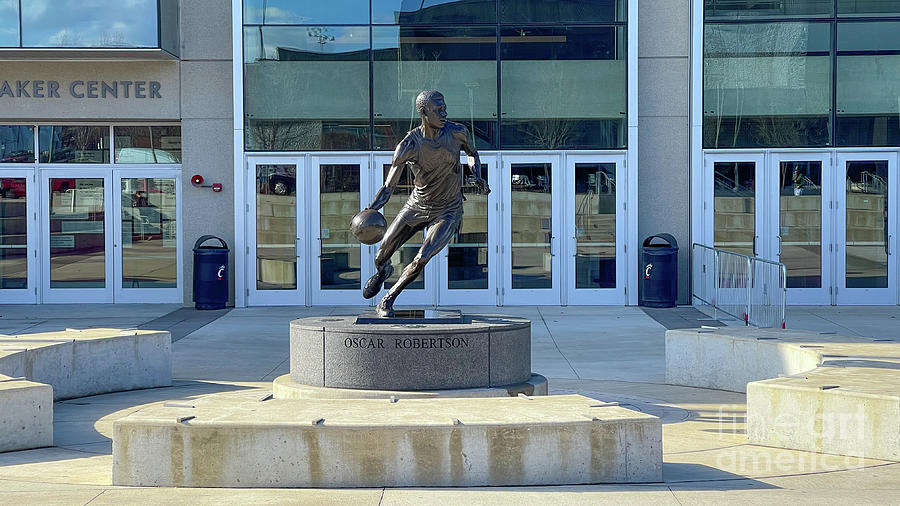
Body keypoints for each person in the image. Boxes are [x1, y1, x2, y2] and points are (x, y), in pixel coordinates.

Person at [362, 90, 489, 317]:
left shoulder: (458, 132)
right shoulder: (409, 144)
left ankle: (388, 298)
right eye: (438, 110)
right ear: (423, 112)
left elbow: (472, 154)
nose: (444, 113)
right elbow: (389, 186)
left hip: (448, 209)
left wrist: (476, 174)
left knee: (422, 257)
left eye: (444, 108)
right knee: (380, 255)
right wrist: (372, 209)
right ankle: (383, 271)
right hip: (416, 206)